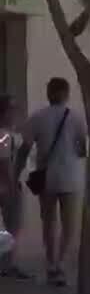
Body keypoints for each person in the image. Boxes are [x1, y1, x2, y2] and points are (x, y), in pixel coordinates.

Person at [15, 78, 88, 287]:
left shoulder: (38, 117)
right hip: (70, 177)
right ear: (66, 93)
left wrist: (16, 173)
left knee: (49, 223)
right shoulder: (76, 117)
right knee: (69, 225)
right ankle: (60, 264)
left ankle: (50, 263)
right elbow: (83, 149)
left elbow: (24, 149)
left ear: (48, 93)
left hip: (46, 177)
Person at [0, 94, 29, 280]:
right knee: (12, 227)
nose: (15, 114)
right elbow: (4, 163)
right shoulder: (3, 135)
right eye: (12, 111)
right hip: (5, 187)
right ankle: (6, 266)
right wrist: (12, 186)